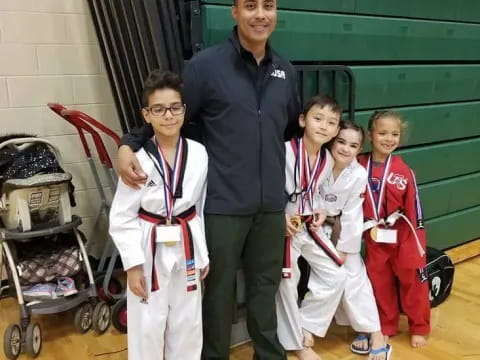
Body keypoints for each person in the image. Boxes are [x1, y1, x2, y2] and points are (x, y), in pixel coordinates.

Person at [116, 0, 300, 358]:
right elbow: (167, 114)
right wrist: (128, 145)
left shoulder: (285, 70)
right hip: (223, 205)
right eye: (250, 6)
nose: (260, 14)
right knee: (217, 294)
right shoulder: (206, 66)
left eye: (268, 6)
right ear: (235, 12)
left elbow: (292, 128)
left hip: (270, 207)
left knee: (266, 287)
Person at [109, 70, 209, 360]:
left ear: (184, 111)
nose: (168, 115)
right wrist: (132, 266)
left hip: (187, 243)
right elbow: (122, 217)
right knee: (147, 323)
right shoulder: (136, 161)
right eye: (159, 109)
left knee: (188, 321)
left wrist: (202, 253)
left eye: (175, 107)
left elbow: (198, 208)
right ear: (146, 114)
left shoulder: (200, 153)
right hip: (148, 245)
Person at [276, 94, 344, 360]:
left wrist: (321, 209)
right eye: (318, 118)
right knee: (287, 282)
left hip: (308, 227)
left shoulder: (327, 160)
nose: (324, 126)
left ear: (336, 130)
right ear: (303, 120)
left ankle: (305, 325)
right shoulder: (284, 151)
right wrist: (277, 216)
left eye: (331, 122)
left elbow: (315, 193)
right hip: (284, 229)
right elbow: (269, 190)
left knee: (336, 275)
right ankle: (296, 343)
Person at [358, 110, 430, 349]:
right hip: (373, 235)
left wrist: (417, 242)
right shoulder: (358, 165)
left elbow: (415, 210)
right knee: (379, 282)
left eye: (394, 134)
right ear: (370, 135)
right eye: (382, 133)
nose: (388, 139)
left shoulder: (404, 171)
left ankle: (419, 325)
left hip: (403, 236)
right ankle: (386, 325)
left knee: (414, 281)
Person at [320, 121, 390, 360]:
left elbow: (352, 215)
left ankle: (375, 332)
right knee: (333, 280)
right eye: (341, 142)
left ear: (360, 149)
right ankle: (359, 328)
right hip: (313, 229)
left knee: (353, 275)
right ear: (332, 141)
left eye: (353, 145)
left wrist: (343, 248)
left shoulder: (358, 174)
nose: (345, 149)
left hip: (341, 230)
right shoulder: (318, 162)